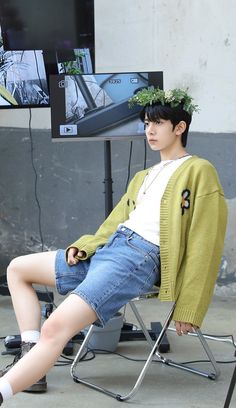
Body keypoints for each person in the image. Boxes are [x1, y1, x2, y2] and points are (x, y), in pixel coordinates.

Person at [0, 87, 228, 405]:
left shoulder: (198, 171)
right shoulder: (143, 176)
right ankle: (30, 357)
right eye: (147, 123)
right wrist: (85, 246)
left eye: (159, 123)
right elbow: (113, 224)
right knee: (18, 268)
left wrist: (190, 304)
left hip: (138, 259)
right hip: (108, 252)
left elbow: (206, 240)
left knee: (56, 327)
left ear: (179, 127)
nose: (150, 130)